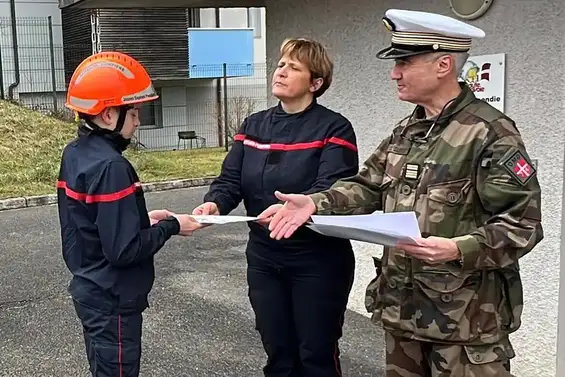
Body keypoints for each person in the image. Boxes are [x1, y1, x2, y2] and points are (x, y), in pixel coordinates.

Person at [260, 9, 544, 377]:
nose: (394, 72)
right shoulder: (407, 131)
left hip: (465, 326)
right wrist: (314, 202)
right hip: (404, 315)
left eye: (405, 62)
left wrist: (459, 248)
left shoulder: (489, 133)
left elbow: (524, 223)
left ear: (443, 64)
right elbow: (367, 186)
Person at [192, 38, 360, 377]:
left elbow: (334, 187)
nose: (280, 71)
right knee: (278, 353)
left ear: (316, 83)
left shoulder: (334, 128)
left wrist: (298, 209)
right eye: (281, 64)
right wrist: (214, 203)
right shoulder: (253, 126)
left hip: (317, 259)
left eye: (293, 67)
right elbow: (231, 180)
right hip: (265, 258)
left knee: (316, 355)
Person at [57, 51, 201, 377]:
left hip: (90, 290)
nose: (137, 122)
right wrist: (172, 226)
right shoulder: (112, 167)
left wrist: (141, 220)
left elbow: (90, 220)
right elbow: (123, 250)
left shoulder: (76, 153)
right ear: (109, 115)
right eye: (134, 113)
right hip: (113, 301)